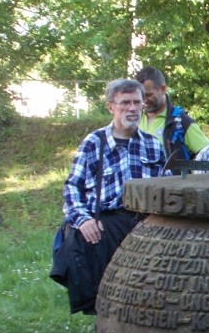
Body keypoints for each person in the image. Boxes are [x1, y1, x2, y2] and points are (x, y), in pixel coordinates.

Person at [60, 78, 168, 314]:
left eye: (137, 102)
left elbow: (166, 187)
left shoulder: (153, 145)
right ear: (111, 107)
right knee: (103, 292)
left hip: (144, 223)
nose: (132, 108)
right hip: (105, 224)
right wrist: (83, 220)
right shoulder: (94, 143)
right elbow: (72, 188)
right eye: (125, 103)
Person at [134, 66, 209, 159]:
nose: (144, 100)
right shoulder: (134, 119)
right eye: (141, 96)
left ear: (162, 89)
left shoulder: (183, 123)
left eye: (148, 95)